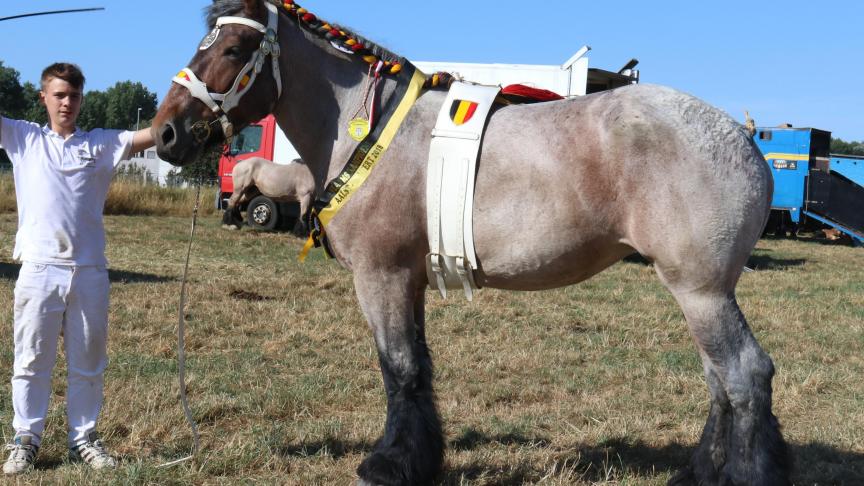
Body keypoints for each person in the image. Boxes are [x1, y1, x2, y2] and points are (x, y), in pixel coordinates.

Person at [0, 62, 155, 474]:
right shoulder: (23, 137)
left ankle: (83, 438)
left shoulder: (102, 144)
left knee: (88, 363)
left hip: (89, 271)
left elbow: (154, 134)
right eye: (59, 95)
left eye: (73, 96)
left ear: (82, 99)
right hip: (38, 269)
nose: (67, 103)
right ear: (44, 98)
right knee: (30, 361)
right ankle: (25, 440)